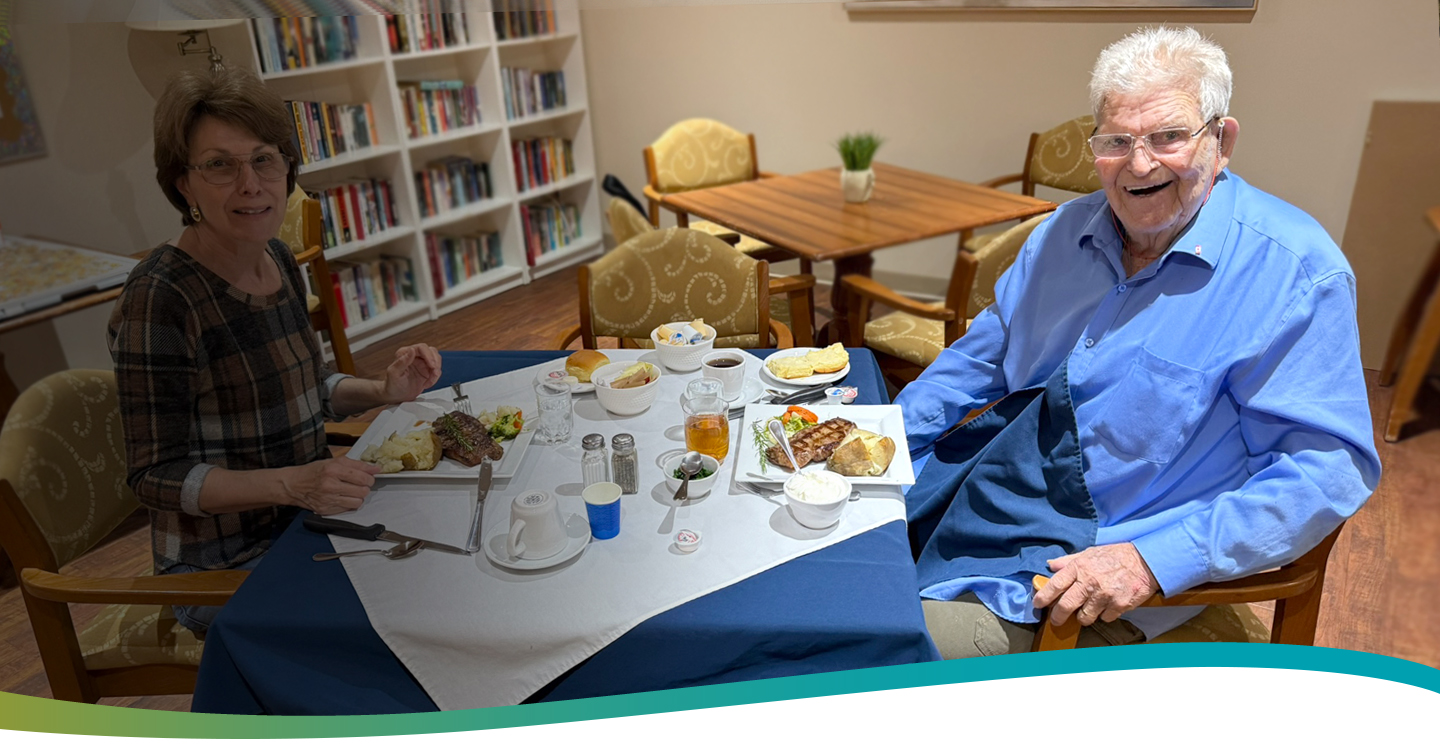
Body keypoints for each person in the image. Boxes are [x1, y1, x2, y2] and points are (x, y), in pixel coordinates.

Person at [897, 26, 1381, 658]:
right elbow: (981, 357)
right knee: (812, 576)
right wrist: (881, 435)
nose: (1140, 163)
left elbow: (1328, 471)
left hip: (1088, 565)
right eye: (1117, 141)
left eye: (1169, 137)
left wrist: (1151, 562)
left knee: (876, 654)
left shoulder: (1297, 273)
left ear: (1222, 141)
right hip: (989, 493)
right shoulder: (1061, 236)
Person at [108, 67, 442, 633]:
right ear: (183, 184)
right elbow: (155, 476)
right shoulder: (161, 298)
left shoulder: (279, 260)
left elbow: (306, 387)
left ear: (288, 166)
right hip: (222, 565)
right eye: (219, 165)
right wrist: (294, 483)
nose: (250, 183)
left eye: (264, 158)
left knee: (448, 564)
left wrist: (383, 392)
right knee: (409, 627)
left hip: (307, 524)